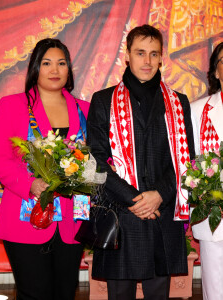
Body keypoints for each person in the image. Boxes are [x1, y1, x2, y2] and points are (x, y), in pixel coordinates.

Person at [87, 24, 195, 300]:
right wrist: (136, 200)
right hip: (122, 216)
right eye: (140, 53)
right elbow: (95, 162)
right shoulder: (103, 101)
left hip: (162, 214)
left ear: (161, 57)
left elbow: (187, 161)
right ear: (127, 55)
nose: (147, 61)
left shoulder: (178, 103)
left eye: (153, 54)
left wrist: (159, 194)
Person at [0, 38, 90, 300]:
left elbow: (99, 160)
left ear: (69, 70)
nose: (54, 70)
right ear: (35, 67)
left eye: (61, 63)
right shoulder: (12, 106)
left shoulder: (85, 110)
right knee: (34, 294)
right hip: (26, 216)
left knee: (65, 293)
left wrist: (88, 175)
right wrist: (29, 184)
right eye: (46, 63)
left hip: (71, 220)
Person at [190, 41, 223, 300]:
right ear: (215, 71)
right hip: (215, 215)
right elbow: (186, 162)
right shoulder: (197, 110)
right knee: (215, 289)